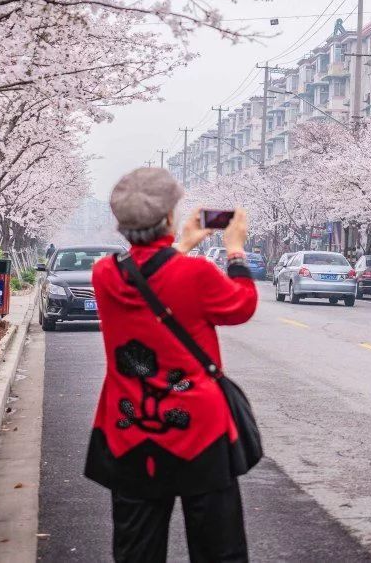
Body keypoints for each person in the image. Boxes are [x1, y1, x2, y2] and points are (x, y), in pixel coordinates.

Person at [85, 167, 257, 563]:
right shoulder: (196, 272)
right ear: (167, 219)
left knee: (136, 550)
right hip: (200, 433)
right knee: (218, 550)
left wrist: (183, 244)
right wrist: (234, 249)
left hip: (129, 433)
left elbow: (149, 275)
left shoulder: (104, 274)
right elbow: (242, 304)